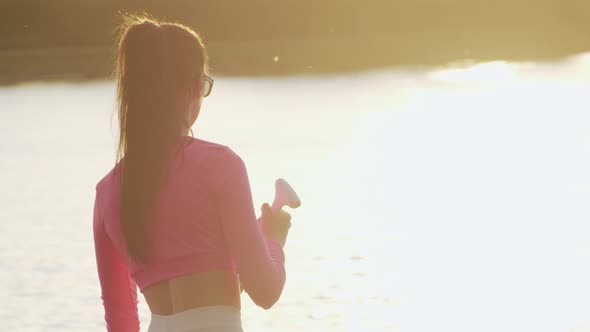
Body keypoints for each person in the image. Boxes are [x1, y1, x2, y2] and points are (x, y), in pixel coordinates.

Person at [92, 14, 292, 332]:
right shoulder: (220, 165)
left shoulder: (107, 193)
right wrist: (274, 239)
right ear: (195, 87)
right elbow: (265, 291)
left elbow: (121, 320)